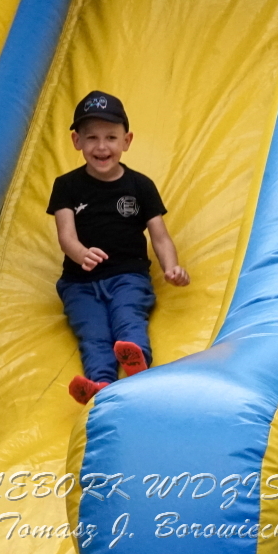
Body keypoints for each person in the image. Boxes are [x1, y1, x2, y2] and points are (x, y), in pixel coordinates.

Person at [46, 90, 189, 404]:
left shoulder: (140, 186)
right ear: (77, 141)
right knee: (92, 332)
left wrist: (171, 267)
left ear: (127, 140)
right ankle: (101, 384)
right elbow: (66, 235)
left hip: (128, 275)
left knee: (128, 317)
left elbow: (160, 236)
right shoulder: (66, 186)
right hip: (79, 283)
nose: (102, 147)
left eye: (111, 137)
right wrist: (80, 253)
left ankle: (137, 364)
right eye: (92, 138)